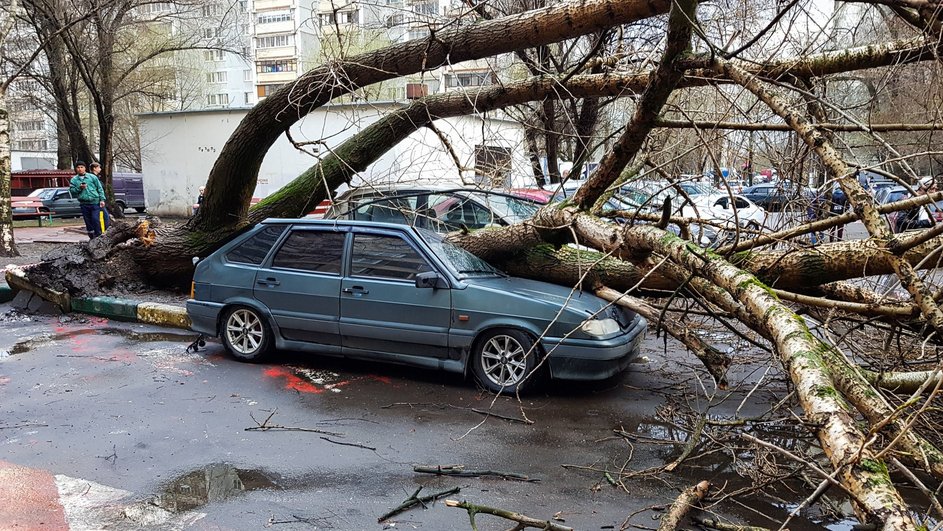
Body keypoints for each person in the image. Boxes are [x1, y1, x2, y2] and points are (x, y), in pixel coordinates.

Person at [69, 161, 107, 239]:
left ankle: (99, 236)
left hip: (95, 202)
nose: (80, 169)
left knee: (96, 220)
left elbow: (99, 188)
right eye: (78, 167)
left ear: (85, 168)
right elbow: (72, 192)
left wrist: (102, 199)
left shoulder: (92, 177)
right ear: (76, 169)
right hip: (84, 203)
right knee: (88, 222)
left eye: (81, 167)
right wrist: (79, 188)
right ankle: (92, 237)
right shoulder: (74, 180)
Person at [88, 162, 111, 229]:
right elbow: (98, 189)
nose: (100, 169)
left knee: (102, 217)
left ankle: (101, 231)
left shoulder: (97, 177)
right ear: (94, 168)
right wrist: (101, 199)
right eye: (99, 167)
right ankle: (102, 232)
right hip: (97, 201)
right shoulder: (93, 178)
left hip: (99, 200)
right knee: (103, 217)